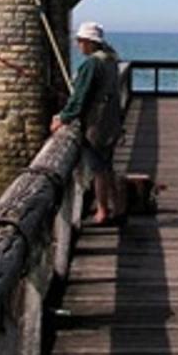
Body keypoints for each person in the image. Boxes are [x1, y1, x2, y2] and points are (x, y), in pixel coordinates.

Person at [51, 21, 122, 225]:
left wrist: (63, 118)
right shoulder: (111, 59)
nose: (78, 45)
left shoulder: (92, 64)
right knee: (107, 166)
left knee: (98, 168)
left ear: (90, 43)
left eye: (80, 41)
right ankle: (117, 207)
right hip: (112, 120)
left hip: (97, 124)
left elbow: (80, 97)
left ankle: (102, 211)